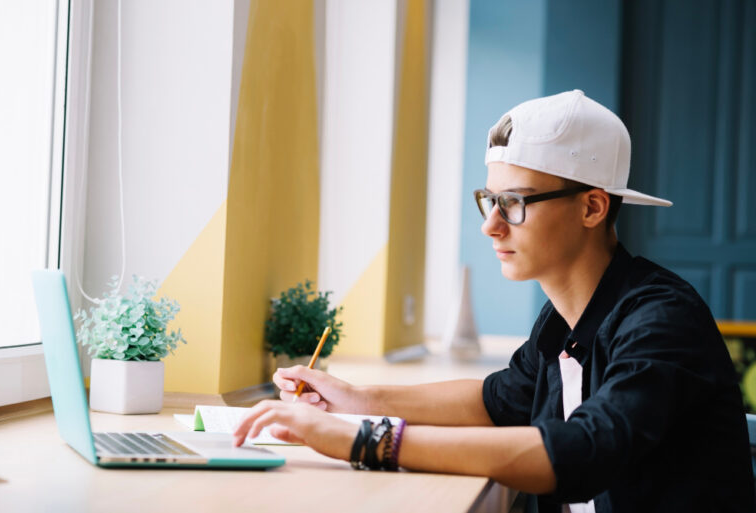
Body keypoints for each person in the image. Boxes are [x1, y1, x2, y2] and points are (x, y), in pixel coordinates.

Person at [233, 90, 755, 512]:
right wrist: (356, 399)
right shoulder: (563, 319)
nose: (491, 225)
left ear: (593, 208)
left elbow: (585, 451)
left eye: (515, 203)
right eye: (490, 200)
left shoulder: (661, 319)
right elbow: (498, 402)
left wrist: (366, 440)